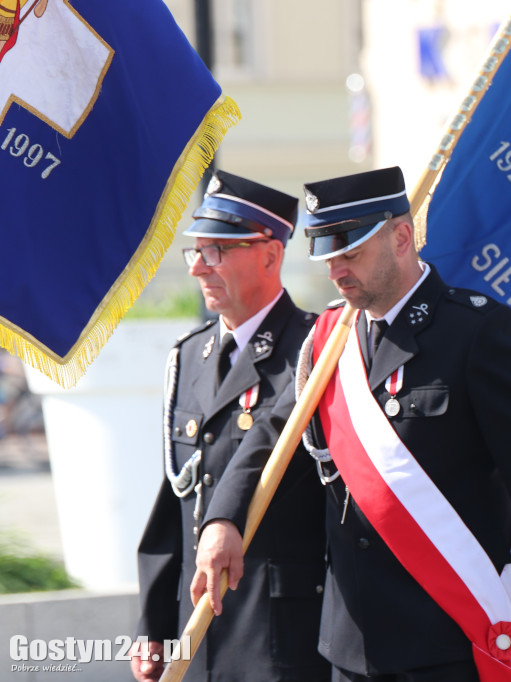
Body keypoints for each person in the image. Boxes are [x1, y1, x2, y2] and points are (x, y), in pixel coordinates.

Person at [192, 167, 511, 682]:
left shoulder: (475, 332)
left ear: (402, 237)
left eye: (350, 253)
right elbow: (272, 434)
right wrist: (222, 519)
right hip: (352, 643)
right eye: (328, 256)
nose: (336, 270)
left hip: (448, 635)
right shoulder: (328, 337)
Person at [132, 171, 328, 682]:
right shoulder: (188, 356)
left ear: (270, 253)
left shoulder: (313, 350)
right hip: (195, 630)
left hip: (275, 629)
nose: (198, 267)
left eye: (217, 250)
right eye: (195, 251)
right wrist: (153, 625)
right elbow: (175, 495)